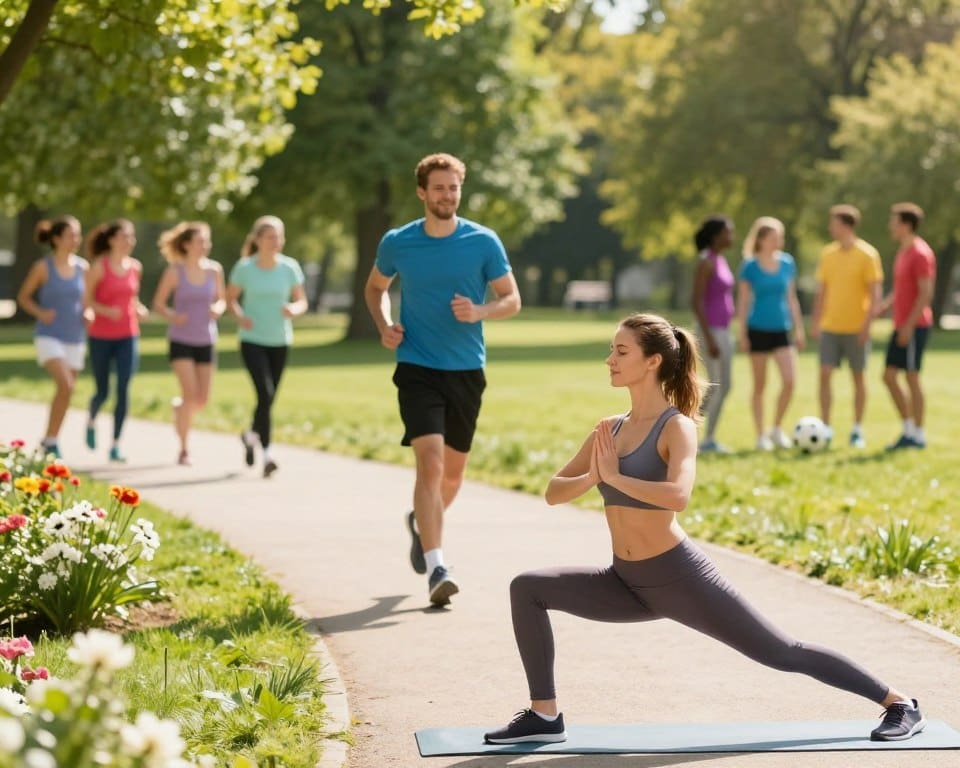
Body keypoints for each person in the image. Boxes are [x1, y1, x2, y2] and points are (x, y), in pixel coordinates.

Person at [483, 313, 925, 745]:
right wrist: (594, 476)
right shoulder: (609, 429)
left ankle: (900, 703)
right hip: (625, 580)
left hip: (679, 578)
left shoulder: (675, 427)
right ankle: (545, 714)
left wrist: (615, 478)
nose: (610, 360)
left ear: (652, 361)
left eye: (621, 351)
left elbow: (678, 495)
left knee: (781, 652)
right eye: (611, 351)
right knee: (527, 587)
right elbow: (553, 491)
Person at [364, 152, 521, 607]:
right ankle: (437, 566)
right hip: (416, 366)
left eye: (453, 187)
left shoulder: (483, 241)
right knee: (429, 463)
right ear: (422, 192)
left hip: (467, 370)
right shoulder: (398, 242)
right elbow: (375, 288)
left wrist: (481, 311)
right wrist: (384, 325)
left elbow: (511, 299)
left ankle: (421, 523)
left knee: (451, 477)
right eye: (438, 188)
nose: (447, 195)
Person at [227, 215, 307, 477]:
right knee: (265, 392)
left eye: (279, 237)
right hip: (252, 340)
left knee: (268, 397)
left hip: (280, 340)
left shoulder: (289, 268)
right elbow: (231, 300)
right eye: (271, 237)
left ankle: (251, 435)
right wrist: (240, 317)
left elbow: (301, 301)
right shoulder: (244, 268)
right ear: (258, 239)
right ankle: (268, 453)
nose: (276, 242)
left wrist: (293, 309)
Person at [152, 221, 226, 465]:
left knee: (200, 400)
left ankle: (180, 408)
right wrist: (174, 316)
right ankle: (184, 449)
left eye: (207, 241)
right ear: (186, 245)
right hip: (181, 339)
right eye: (200, 241)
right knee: (190, 393)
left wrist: (217, 308)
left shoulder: (214, 270)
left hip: (206, 339)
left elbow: (222, 300)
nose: (205, 246)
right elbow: (159, 304)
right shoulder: (175, 272)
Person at [15, 216, 88, 459]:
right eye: (70, 235)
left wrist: (88, 313)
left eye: (77, 235)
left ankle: (50, 439)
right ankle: (51, 440)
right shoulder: (43, 267)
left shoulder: (82, 267)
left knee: (66, 391)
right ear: (56, 239)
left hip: (75, 336)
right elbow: (24, 297)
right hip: (49, 336)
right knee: (65, 384)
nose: (75, 240)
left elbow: (86, 302)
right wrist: (40, 313)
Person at [810, 205, 883, 449]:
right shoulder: (827, 254)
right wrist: (816, 320)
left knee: (858, 377)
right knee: (825, 374)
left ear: (847, 225)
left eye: (834, 223)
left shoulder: (868, 254)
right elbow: (822, 290)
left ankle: (857, 429)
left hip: (856, 327)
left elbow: (875, 295)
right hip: (831, 327)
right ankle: (826, 427)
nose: (831, 227)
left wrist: (867, 326)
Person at [736, 217, 806, 451]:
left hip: (782, 329)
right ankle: (761, 436)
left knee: (789, 381)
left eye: (781, 237)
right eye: (775, 237)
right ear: (762, 239)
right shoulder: (750, 266)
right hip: (757, 330)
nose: (779, 241)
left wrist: (799, 329)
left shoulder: (787, 263)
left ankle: (776, 428)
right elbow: (743, 302)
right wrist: (742, 333)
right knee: (760, 385)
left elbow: (791, 298)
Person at [84, 219, 148, 462]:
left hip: (128, 335)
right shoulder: (99, 266)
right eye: (123, 237)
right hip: (101, 336)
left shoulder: (135, 267)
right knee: (103, 391)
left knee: (123, 389)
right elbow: (87, 300)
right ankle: (91, 418)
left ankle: (115, 444)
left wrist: (139, 309)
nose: (128, 241)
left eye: (131, 237)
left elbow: (133, 298)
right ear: (111, 240)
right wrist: (105, 310)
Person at [879, 203, 936, 450]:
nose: (890, 225)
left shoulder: (921, 254)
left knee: (911, 378)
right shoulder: (903, 252)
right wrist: (883, 307)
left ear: (905, 224)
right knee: (889, 377)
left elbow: (925, 294)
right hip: (900, 324)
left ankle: (918, 434)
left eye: (894, 221)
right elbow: (901, 289)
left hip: (914, 326)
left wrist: (909, 326)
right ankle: (908, 428)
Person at [691, 215, 735, 453]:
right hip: (711, 332)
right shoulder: (705, 262)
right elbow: (696, 301)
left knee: (725, 385)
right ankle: (696, 434)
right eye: (728, 232)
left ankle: (707, 437)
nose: (732, 237)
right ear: (716, 236)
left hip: (725, 332)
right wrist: (708, 338)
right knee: (716, 386)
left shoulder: (720, 260)